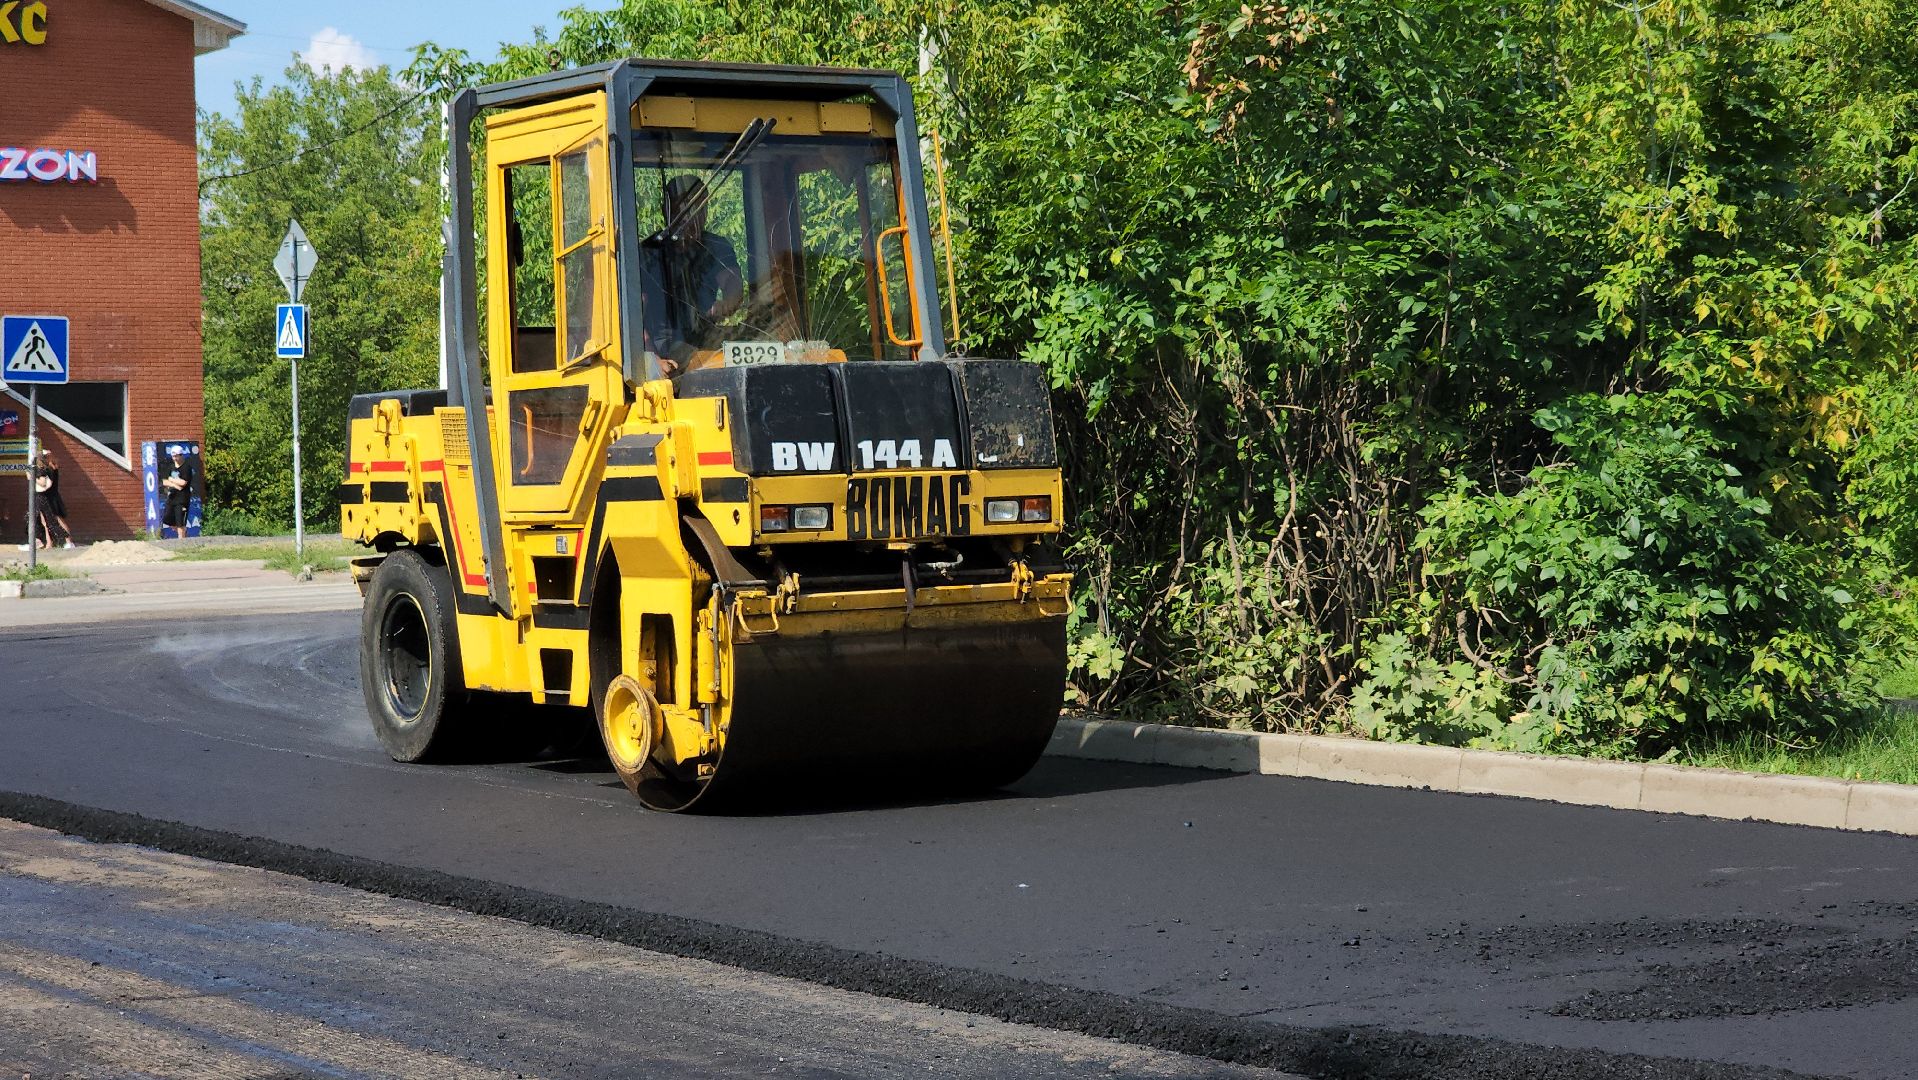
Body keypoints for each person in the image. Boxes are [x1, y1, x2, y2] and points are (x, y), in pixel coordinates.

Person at [641, 174, 744, 374]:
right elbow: (636, 313)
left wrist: (725, 304)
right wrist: (652, 358)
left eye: (700, 206)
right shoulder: (648, 252)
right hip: (664, 345)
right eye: (684, 207)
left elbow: (733, 283)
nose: (693, 215)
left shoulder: (717, 247)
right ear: (667, 211)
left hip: (707, 335)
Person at [32, 448, 73, 550]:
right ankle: (50, 542)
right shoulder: (51, 467)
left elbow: (43, 483)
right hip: (49, 496)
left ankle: (68, 541)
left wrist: (33, 477)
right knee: (47, 521)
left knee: (57, 519)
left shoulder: (49, 469)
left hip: (50, 497)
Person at [160, 444, 195, 539]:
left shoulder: (186, 468)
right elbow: (164, 481)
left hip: (182, 499)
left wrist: (171, 479)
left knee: (180, 522)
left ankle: (182, 541)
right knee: (167, 519)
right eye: (173, 456)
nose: (174, 458)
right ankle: (183, 533)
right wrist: (174, 484)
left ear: (181, 455)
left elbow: (183, 483)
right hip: (171, 498)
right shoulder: (170, 467)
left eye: (176, 456)